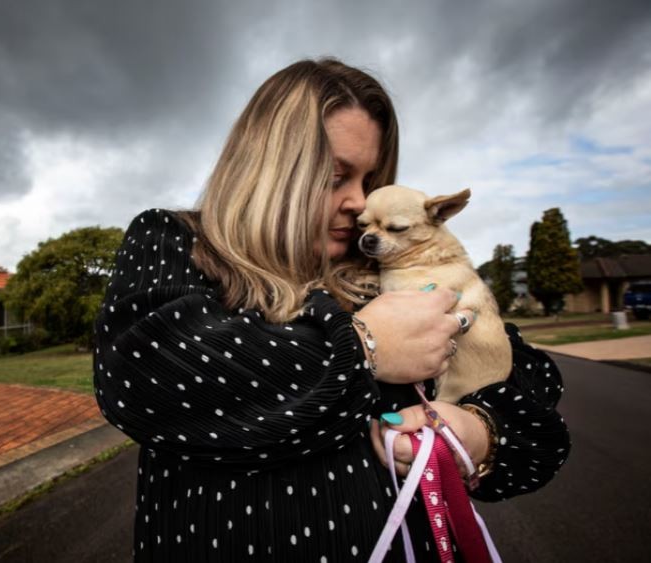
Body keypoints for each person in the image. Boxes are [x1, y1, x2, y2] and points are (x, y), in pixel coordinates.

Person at [94, 58, 570, 562]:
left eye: (369, 180)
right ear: (265, 167)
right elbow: (143, 376)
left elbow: (534, 385)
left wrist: (479, 430)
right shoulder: (178, 241)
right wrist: (364, 347)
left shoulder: (388, 272)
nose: (358, 202)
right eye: (335, 176)